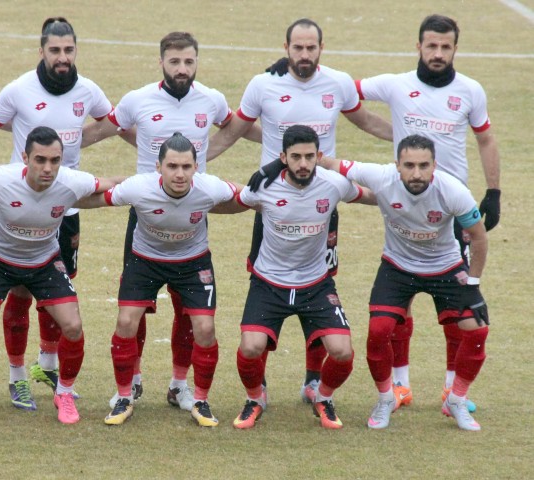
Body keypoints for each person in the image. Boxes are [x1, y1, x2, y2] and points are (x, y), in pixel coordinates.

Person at [206, 18, 392, 405]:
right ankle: (260, 381)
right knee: (268, 281)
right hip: (275, 200)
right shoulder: (264, 84)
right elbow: (235, 129)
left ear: (321, 48)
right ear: (286, 48)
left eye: (311, 48)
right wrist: (195, 163)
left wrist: (407, 138)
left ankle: (312, 379)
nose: (304, 55)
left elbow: (366, 120)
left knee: (320, 282)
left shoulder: (338, 83)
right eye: (298, 48)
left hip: (322, 199)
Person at [354, 14, 500, 412]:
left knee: (458, 312)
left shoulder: (470, 90)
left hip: (452, 212)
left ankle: (451, 391)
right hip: (406, 202)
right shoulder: (395, 84)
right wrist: (388, 132)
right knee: (397, 304)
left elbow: (485, 139)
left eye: (445, 47)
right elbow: (345, 96)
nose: (438, 54)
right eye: (431, 46)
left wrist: (494, 190)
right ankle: (399, 385)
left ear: (455, 49)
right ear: (418, 46)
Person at [81, 31, 233, 411]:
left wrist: (206, 156)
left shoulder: (212, 100)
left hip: (191, 211)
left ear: (197, 62)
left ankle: (180, 385)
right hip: (147, 211)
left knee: (188, 308)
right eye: (175, 61)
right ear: (161, 61)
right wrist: (58, 150)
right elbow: (105, 127)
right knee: (137, 307)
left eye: (189, 62)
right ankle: (131, 379)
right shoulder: (138, 100)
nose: (182, 69)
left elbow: (236, 126)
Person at [0, 18, 112, 408]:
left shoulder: (89, 90)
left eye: (69, 50)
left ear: (75, 50)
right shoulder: (18, 89)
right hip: (22, 204)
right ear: (42, 51)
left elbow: (112, 123)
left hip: (66, 203)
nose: (62, 58)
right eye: (55, 51)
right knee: (18, 292)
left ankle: (46, 364)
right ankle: (17, 376)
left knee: (57, 289)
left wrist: (83, 142)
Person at [0, 126, 122, 425]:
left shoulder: (72, 181)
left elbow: (113, 184)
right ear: (25, 158)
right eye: (40, 159)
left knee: (73, 326)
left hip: (44, 261)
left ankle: (63, 393)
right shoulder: (1, 180)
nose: (48, 168)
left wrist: (160, 184)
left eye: (55, 160)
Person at [318, 134, 489, 431]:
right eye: (409, 165)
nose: (417, 173)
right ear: (397, 165)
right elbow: (329, 163)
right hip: (398, 267)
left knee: (477, 330)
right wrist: (278, 170)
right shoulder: (380, 176)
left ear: (435, 165)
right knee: (378, 330)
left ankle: (457, 400)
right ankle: (386, 398)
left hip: (446, 267)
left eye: (424, 165)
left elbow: (479, 236)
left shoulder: (453, 190)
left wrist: (472, 285)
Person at [76, 133, 239, 427]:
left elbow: (247, 196)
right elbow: (98, 199)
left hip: (193, 263)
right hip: (145, 261)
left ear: (196, 168)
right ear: (158, 167)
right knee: (126, 321)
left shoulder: (210, 187)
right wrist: (54, 195)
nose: (179, 174)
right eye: (172, 166)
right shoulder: (138, 188)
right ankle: (125, 396)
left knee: (204, 326)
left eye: (186, 167)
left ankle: (198, 399)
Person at [223, 125, 373, 430]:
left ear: (319, 156)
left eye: (309, 156)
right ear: (283, 158)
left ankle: (323, 396)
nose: (303, 164)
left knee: (343, 352)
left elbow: (369, 195)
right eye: (296, 157)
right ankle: (255, 398)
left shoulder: (334, 184)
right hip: (268, 282)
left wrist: (411, 201)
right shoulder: (263, 186)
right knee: (251, 346)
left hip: (316, 284)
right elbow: (231, 203)